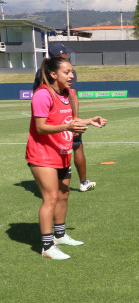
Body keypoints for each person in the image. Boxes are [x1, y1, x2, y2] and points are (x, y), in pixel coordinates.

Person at [27, 56, 107, 259]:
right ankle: (47, 247)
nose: (72, 76)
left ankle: (59, 236)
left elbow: (68, 120)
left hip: (62, 152)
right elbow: (40, 127)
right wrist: (68, 127)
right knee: (50, 198)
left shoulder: (69, 93)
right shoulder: (42, 94)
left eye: (72, 72)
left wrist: (90, 120)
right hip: (42, 154)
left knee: (64, 195)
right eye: (67, 72)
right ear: (53, 74)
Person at [33, 43, 96, 192]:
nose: (67, 56)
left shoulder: (40, 71)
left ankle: (51, 184)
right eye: (65, 54)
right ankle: (83, 182)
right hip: (63, 118)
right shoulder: (65, 71)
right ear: (60, 55)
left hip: (47, 118)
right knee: (77, 146)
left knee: (52, 148)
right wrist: (75, 120)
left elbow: (36, 95)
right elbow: (72, 94)